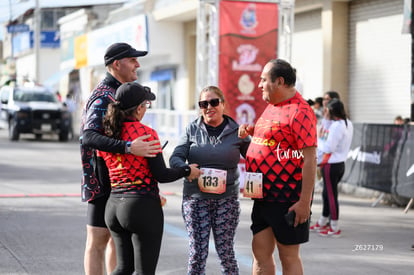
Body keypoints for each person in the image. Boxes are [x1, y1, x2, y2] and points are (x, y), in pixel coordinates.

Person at [98, 82, 201, 274]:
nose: (146, 110)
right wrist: (187, 171)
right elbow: (161, 174)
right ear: (138, 108)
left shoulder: (107, 135)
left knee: (123, 268)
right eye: (146, 105)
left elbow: (102, 177)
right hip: (141, 206)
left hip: (113, 207)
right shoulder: (145, 134)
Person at [80, 42, 162, 275]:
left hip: (120, 183)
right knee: (97, 241)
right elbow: (89, 137)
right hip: (102, 180)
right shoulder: (104, 95)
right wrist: (128, 147)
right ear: (117, 64)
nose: (137, 64)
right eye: (132, 60)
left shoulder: (119, 91)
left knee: (116, 244)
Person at [238, 59, 317, 275]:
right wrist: (251, 131)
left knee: (288, 257)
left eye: (264, 80)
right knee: (260, 254)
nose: (259, 85)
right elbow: (274, 138)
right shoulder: (272, 106)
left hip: (287, 199)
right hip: (263, 197)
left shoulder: (300, 111)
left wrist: (304, 202)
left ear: (279, 81)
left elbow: (310, 160)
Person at [169, 85, 251, 275]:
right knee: (197, 253)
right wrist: (185, 168)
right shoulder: (191, 129)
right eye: (203, 103)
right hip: (196, 200)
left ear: (223, 104)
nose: (209, 107)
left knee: (226, 253)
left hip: (226, 201)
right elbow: (176, 157)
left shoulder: (236, 131)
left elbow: (256, 157)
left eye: (214, 102)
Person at [311, 98, 353, 237]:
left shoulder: (337, 126)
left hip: (331, 164)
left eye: (327, 109)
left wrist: (317, 141)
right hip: (339, 164)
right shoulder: (347, 124)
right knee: (327, 194)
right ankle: (323, 221)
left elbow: (329, 147)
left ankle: (334, 226)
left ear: (332, 111)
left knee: (331, 195)